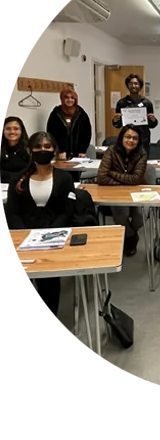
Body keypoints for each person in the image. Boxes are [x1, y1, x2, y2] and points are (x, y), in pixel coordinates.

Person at [5, 132, 75, 321]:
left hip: (53, 234)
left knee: (49, 281)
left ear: (54, 150)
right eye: (38, 147)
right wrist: (23, 235)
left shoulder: (64, 178)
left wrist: (52, 233)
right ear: (30, 150)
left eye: (47, 147)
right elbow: (12, 212)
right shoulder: (18, 179)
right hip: (23, 234)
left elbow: (67, 211)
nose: (42, 151)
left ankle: (48, 319)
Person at [97, 125, 147, 257]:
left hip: (136, 192)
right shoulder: (111, 151)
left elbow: (136, 179)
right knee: (120, 211)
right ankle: (130, 236)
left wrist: (112, 173)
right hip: (114, 192)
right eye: (128, 137)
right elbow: (101, 177)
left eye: (135, 138)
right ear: (122, 138)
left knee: (139, 218)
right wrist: (124, 182)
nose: (131, 140)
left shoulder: (141, 154)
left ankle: (130, 232)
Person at [113, 74, 158, 155]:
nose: (133, 86)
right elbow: (118, 125)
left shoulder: (147, 103)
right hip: (128, 139)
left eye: (136, 83)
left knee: (142, 163)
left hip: (143, 139)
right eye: (131, 83)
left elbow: (151, 125)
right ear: (127, 85)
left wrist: (153, 120)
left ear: (140, 85)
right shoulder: (122, 103)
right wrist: (115, 120)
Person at [0, 117, 30, 184]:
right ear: (3, 131)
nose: (12, 132)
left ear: (21, 131)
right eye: (8, 129)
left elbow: (31, 173)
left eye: (16, 129)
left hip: (23, 186)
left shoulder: (29, 148)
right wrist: (19, 176)